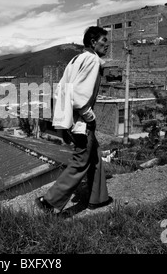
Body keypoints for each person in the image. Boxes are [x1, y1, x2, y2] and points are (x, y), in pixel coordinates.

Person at [36, 26, 113, 214]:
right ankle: (49, 201)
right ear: (93, 42)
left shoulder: (75, 59)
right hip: (81, 122)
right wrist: (88, 116)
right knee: (81, 161)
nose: (107, 45)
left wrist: (64, 122)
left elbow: (60, 90)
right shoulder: (93, 60)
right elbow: (79, 95)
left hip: (71, 119)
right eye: (104, 41)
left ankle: (98, 198)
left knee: (94, 156)